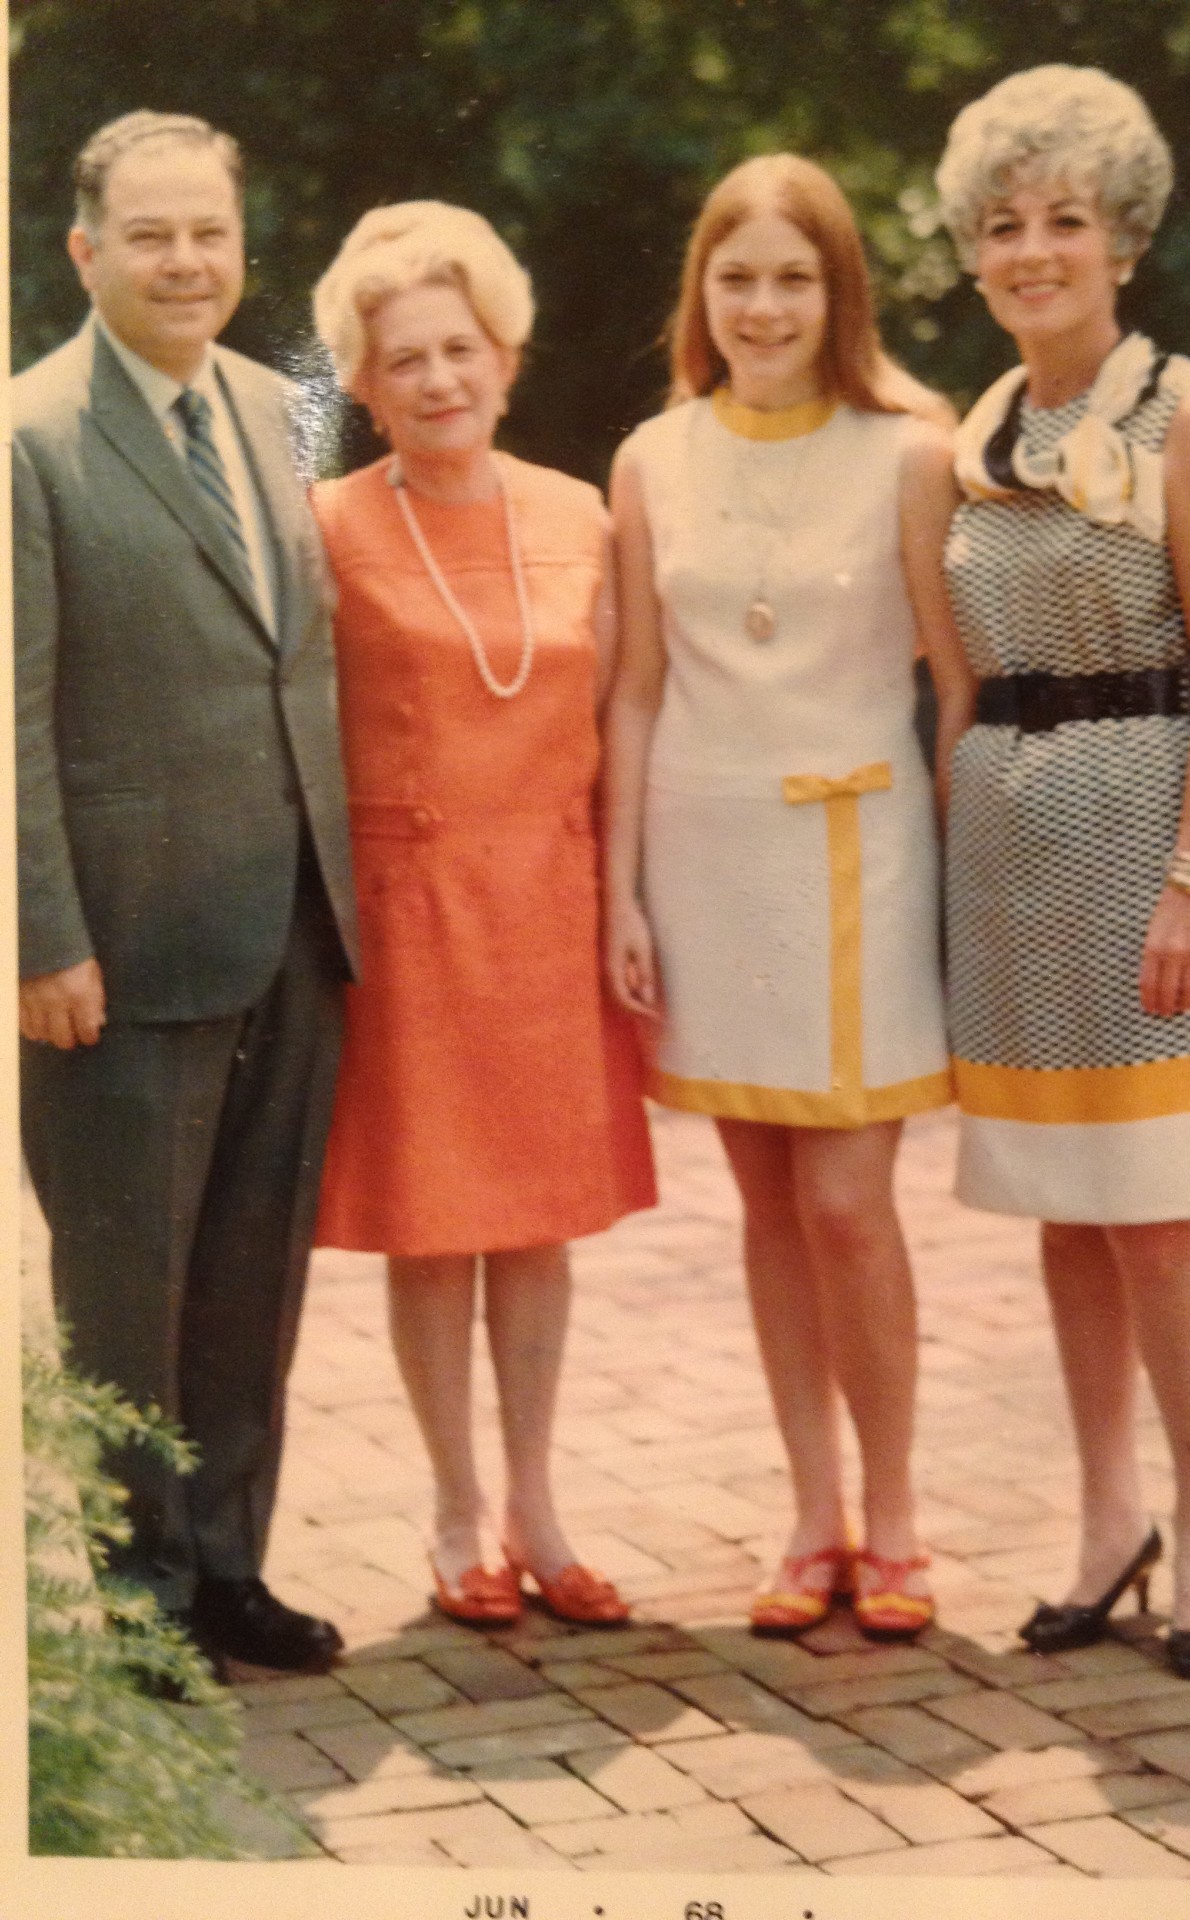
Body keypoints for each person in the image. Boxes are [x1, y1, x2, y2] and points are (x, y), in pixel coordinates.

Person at [934, 66, 1190, 1680]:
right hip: (1010, 855)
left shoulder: (1187, 415)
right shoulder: (979, 431)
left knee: (1159, 1218)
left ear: (1123, 238)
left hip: (1152, 838)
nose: (1031, 251)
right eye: (1002, 225)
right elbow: (959, 672)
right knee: (1063, 1219)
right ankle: (1104, 1516)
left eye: (1064, 220)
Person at [604, 155, 969, 1640]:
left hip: (864, 854)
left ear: (841, 295)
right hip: (706, 849)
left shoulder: (913, 449)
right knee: (765, 1200)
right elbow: (633, 690)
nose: (763, 306)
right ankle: (811, 1512)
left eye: (793, 278)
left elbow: (956, 683)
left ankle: (895, 1516)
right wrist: (620, 890)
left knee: (848, 1201)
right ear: (702, 292)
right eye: (736, 276)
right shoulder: (652, 457)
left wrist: (961, 876)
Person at [14, 111, 360, 1675]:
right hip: (122, 939)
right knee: (124, 1283)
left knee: (247, 1272)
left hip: (293, 919)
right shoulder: (26, 439)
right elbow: (6, 715)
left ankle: (228, 1567)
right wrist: (41, 937)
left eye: (209, 232)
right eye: (150, 235)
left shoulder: (287, 410)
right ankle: (138, 1604)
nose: (185, 262)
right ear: (85, 253)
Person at [310, 203, 656, 1629]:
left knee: (535, 1222)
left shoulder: (583, 511)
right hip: (408, 909)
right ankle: (455, 1510)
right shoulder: (323, 524)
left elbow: (624, 710)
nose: (438, 380)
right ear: (365, 385)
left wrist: (623, 892)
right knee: (434, 1223)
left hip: (550, 902)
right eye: (405, 362)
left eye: (460, 350)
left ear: (505, 358)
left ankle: (540, 1504)